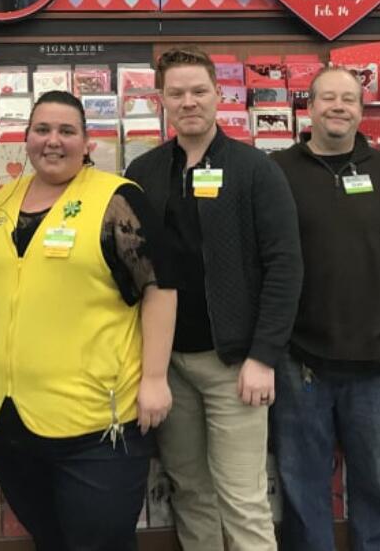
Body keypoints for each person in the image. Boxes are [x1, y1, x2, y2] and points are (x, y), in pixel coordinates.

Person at [0, 90, 178, 550]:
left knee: (98, 543)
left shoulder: (116, 200)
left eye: (66, 131)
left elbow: (160, 286)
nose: (52, 141)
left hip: (97, 425)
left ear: (87, 142)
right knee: (50, 539)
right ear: (25, 138)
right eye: (42, 130)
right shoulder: (3, 201)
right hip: (9, 416)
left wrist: (155, 377)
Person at [125, 46, 302, 551]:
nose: (189, 102)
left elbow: (286, 266)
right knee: (191, 491)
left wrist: (264, 356)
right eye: (176, 93)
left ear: (219, 95)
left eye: (199, 91)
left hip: (235, 365)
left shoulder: (255, 170)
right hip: (168, 366)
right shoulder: (144, 170)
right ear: (161, 101)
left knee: (242, 497)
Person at [269, 66, 380, 551]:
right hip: (299, 364)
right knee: (301, 487)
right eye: (328, 98)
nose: (338, 107)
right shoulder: (276, 171)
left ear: (361, 110)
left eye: (349, 99)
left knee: (376, 486)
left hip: (377, 366)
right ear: (310, 106)